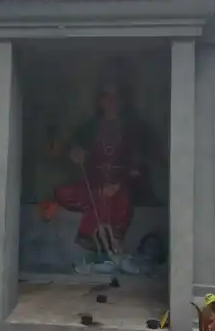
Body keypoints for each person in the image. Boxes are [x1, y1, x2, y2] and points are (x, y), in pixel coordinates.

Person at [54, 81, 153, 271]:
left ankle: (111, 251)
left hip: (122, 181)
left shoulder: (133, 128)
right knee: (76, 193)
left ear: (123, 100)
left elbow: (140, 162)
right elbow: (73, 150)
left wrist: (120, 181)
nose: (111, 101)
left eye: (115, 97)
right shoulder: (89, 127)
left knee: (118, 198)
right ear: (99, 100)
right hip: (93, 180)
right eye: (106, 96)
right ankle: (98, 252)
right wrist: (75, 154)